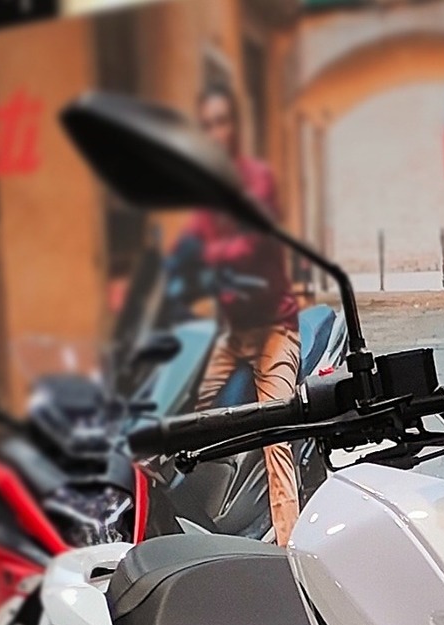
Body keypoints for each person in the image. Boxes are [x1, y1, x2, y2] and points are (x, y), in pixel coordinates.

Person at [187, 81, 301, 546]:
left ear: (233, 128)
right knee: (181, 416)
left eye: (221, 123)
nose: (215, 133)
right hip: (233, 332)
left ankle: (290, 549)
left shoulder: (256, 180)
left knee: (276, 435)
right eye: (206, 125)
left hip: (273, 328)